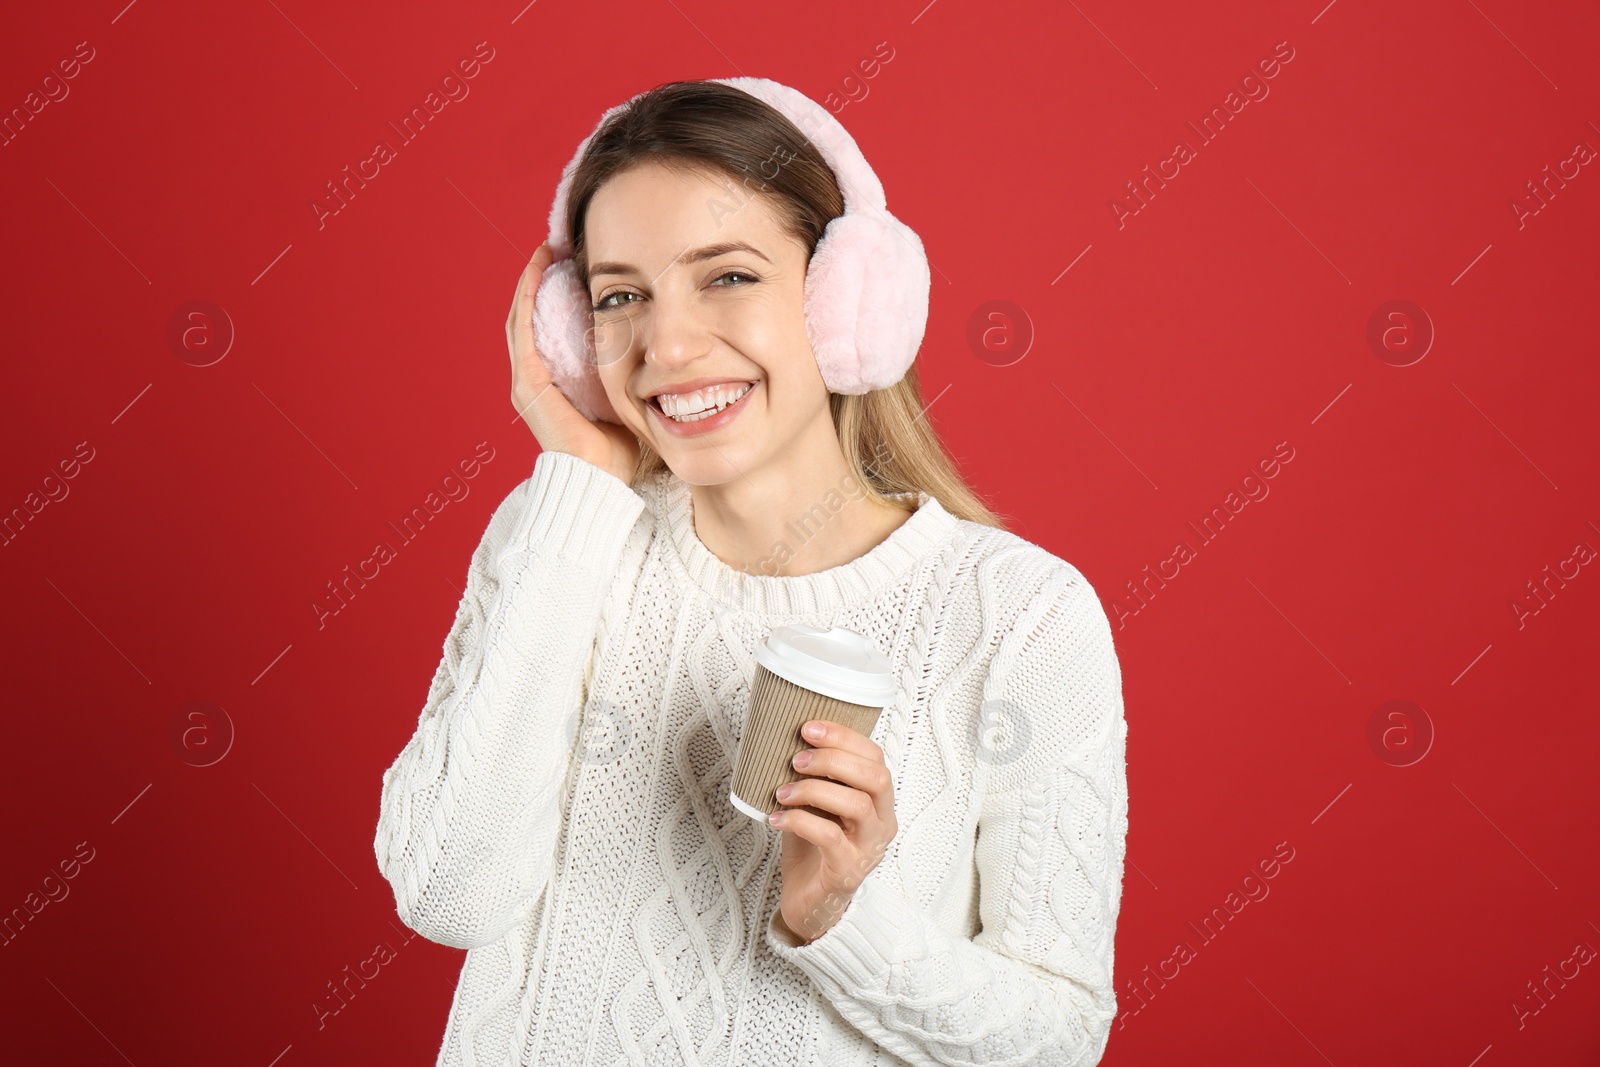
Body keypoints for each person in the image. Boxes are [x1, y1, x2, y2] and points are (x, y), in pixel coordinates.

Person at [374, 77, 1129, 1067]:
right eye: (617, 297)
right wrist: (576, 488)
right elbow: (446, 892)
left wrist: (842, 915)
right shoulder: (557, 538)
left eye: (726, 275)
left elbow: (1060, 1036)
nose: (668, 346)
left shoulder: (1020, 617)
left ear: (843, 298)